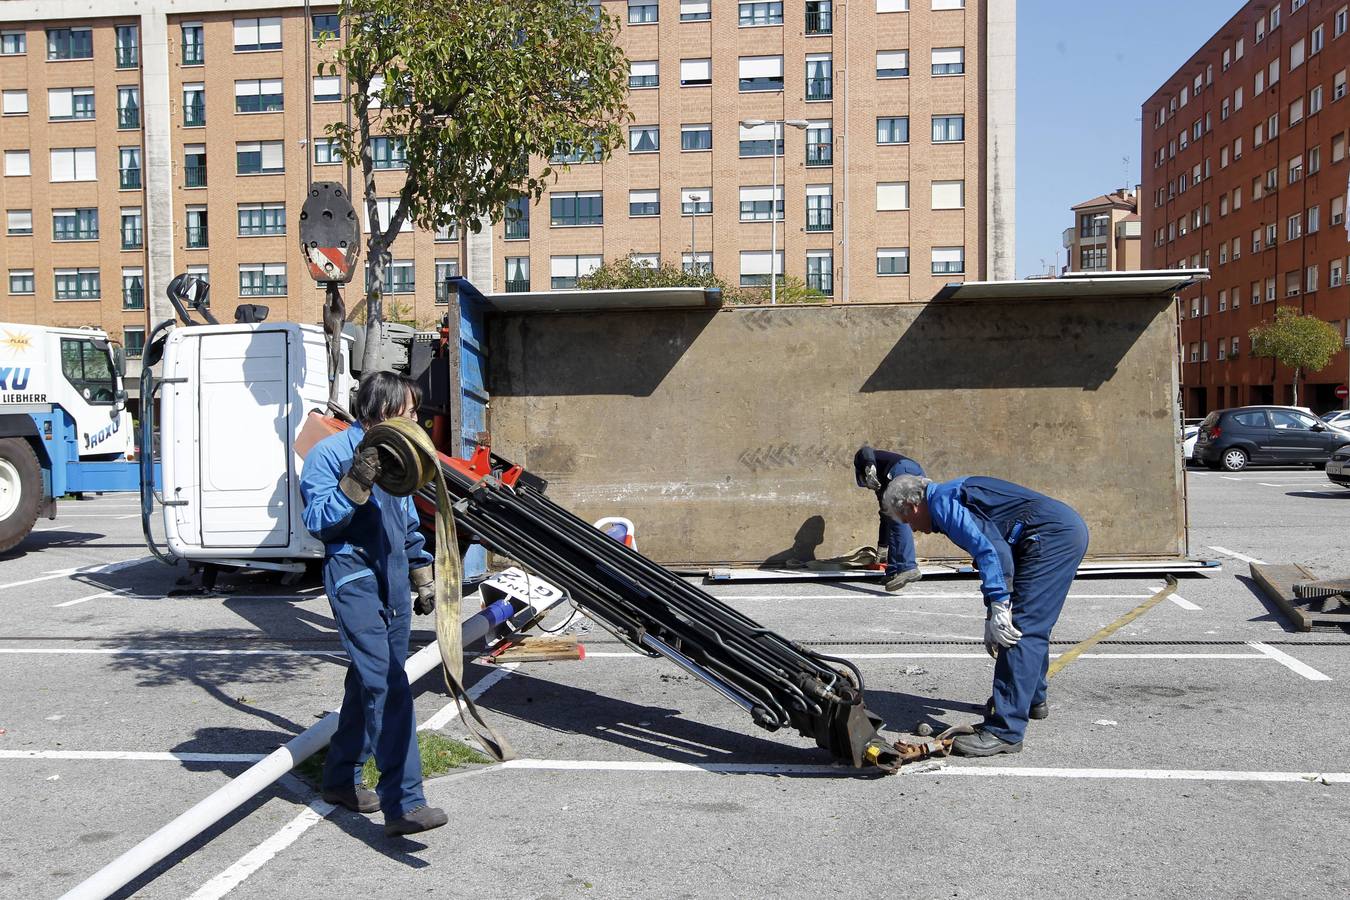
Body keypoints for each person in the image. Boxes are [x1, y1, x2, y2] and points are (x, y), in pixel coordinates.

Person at [299, 372, 448, 836]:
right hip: (354, 581)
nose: (415, 419)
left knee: (366, 684)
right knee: (388, 683)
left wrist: (422, 573)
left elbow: (405, 522)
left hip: (395, 584)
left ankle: (340, 779)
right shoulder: (331, 454)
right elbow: (317, 521)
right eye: (407, 411)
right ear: (381, 410)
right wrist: (355, 482)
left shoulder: (402, 459)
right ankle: (403, 801)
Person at [882, 474, 1089, 757]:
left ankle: (1005, 730)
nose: (915, 530)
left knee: (1020, 630)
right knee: (1030, 625)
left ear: (912, 505)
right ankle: (1031, 699)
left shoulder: (943, 503)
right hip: (1057, 533)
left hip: (1050, 539)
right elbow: (993, 549)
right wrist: (992, 610)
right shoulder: (952, 493)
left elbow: (991, 551)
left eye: (908, 522)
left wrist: (1000, 607)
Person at [853, 445, 925, 592]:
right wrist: (882, 547)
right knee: (893, 517)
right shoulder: (882, 488)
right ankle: (893, 571)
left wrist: (869, 466)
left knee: (900, 517)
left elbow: (865, 451)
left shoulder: (867, 463)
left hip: (901, 470)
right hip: (915, 472)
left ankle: (908, 567)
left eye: (865, 483)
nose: (868, 487)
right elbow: (885, 518)